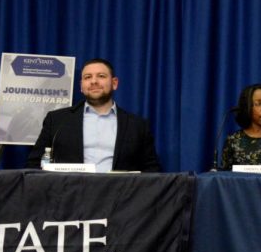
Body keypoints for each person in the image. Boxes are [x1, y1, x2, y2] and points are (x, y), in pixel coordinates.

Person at [26, 58, 161, 172]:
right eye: (87, 77)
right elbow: (34, 164)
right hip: (70, 198)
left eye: (101, 76)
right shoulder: (57, 120)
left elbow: (151, 171)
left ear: (114, 83)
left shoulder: (137, 125)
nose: (94, 81)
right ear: (81, 86)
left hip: (120, 199)